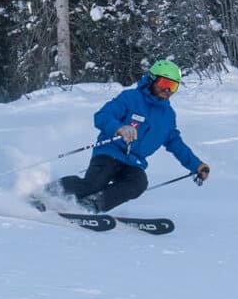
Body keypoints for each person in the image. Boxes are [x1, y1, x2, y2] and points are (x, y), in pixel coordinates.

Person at [51, 59, 211, 213]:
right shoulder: (130, 98)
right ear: (152, 79)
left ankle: (92, 204)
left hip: (133, 162)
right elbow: (102, 116)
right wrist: (119, 128)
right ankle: (48, 192)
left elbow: (176, 144)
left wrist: (196, 165)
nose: (167, 90)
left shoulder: (168, 116)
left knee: (138, 183)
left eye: (173, 86)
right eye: (164, 83)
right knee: (94, 184)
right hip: (110, 152)